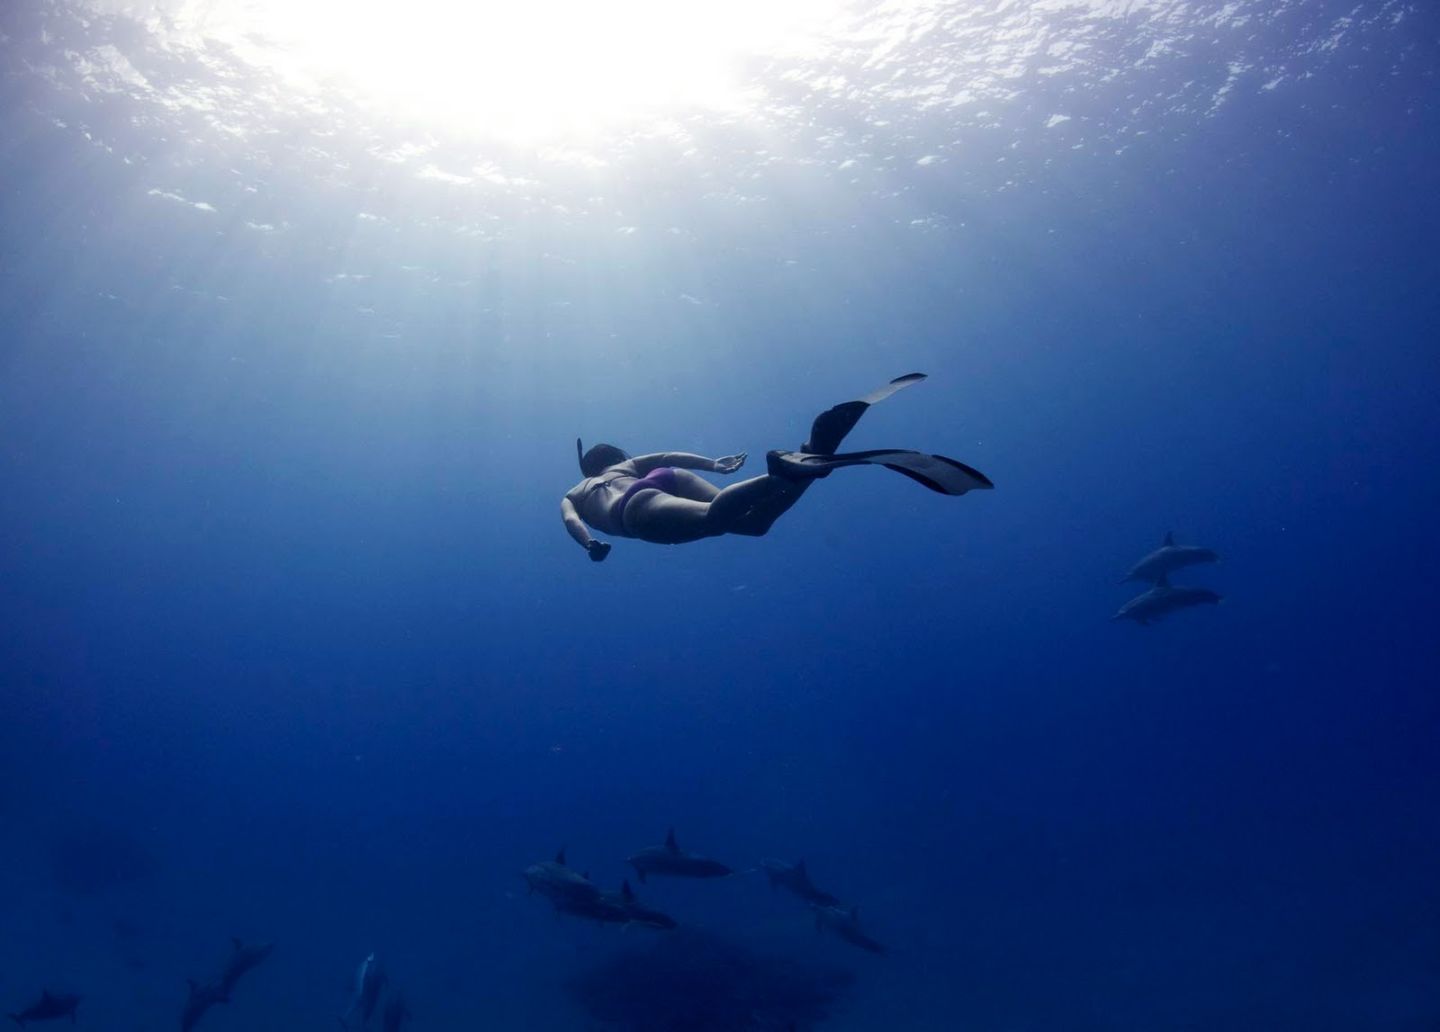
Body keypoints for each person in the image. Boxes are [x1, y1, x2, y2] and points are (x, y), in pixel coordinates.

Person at [561, 374, 993, 561]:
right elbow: (669, 458)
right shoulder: (628, 465)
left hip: (635, 511)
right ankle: (808, 455)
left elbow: (573, 522)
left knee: (715, 521)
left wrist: (588, 546)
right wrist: (714, 463)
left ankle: (781, 471)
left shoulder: (576, 492)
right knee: (753, 524)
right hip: (663, 483)